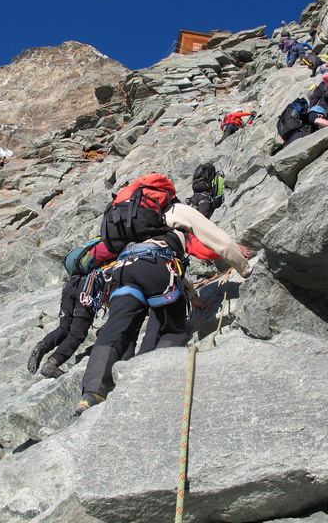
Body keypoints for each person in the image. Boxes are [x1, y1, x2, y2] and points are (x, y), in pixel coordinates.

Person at [76, 177, 252, 414]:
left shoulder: (127, 218)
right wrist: (245, 269)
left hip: (121, 272)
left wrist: (190, 294)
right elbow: (218, 242)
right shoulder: (175, 210)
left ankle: (93, 392)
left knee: (117, 328)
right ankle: (152, 383)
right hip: (160, 269)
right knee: (170, 327)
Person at [27, 241, 116, 378]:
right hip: (87, 288)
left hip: (71, 284)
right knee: (77, 333)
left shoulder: (93, 246)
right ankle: (52, 363)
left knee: (64, 328)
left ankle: (42, 346)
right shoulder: (117, 249)